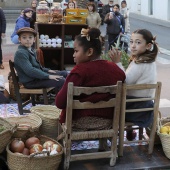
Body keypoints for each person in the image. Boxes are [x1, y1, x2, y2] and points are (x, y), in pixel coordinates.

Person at [55, 28, 125, 126]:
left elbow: (60, 103)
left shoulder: (79, 72)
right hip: (109, 121)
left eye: (76, 51)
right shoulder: (115, 69)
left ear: (89, 52)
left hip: (79, 121)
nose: (73, 55)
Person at [108, 29, 159, 139]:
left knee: (110, 102)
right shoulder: (150, 62)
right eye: (131, 42)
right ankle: (130, 131)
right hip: (146, 105)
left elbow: (124, 81)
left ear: (148, 45)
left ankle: (110, 133)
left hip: (134, 107)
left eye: (138, 42)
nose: (133, 46)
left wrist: (117, 63)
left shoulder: (140, 63)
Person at [14, 27, 68, 94]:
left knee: (64, 73)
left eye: (30, 37)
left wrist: (48, 70)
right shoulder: (21, 53)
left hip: (36, 78)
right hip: (31, 82)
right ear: (19, 39)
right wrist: (48, 76)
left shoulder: (31, 50)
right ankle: (61, 101)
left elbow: (37, 67)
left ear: (34, 39)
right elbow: (30, 70)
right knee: (61, 80)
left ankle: (65, 97)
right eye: (24, 38)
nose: (27, 40)